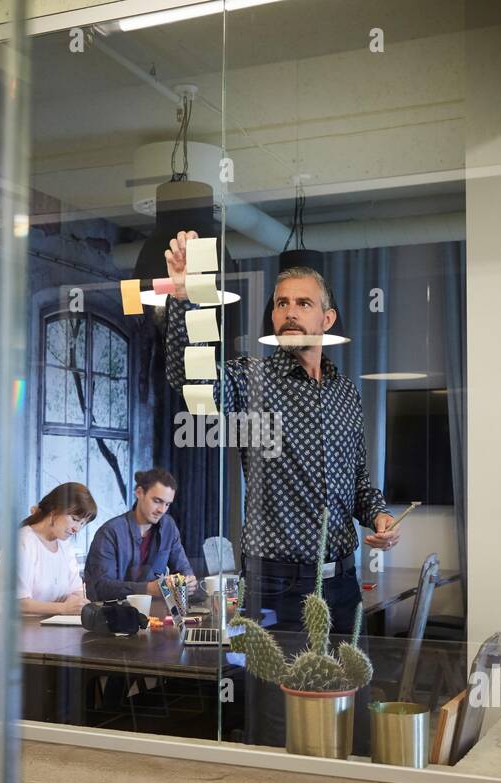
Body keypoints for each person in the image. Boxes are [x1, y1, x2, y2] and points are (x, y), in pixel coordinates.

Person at [162, 230, 401, 637]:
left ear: (326, 319)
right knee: (274, 698)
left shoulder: (346, 392)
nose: (290, 312)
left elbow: (358, 478)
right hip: (275, 586)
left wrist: (378, 515)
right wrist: (184, 297)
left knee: (345, 695)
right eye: (281, 304)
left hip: (343, 584)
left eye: (303, 303)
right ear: (273, 317)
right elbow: (193, 383)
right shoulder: (250, 379)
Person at [0, 482, 97, 623]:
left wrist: (75, 604)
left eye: (82, 523)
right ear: (54, 509)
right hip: (12, 631)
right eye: (74, 519)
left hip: (48, 629)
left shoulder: (65, 545)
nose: (77, 529)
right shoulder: (22, 542)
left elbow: (76, 591)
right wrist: (64, 608)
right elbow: (18, 602)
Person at [83, 467, 197, 602]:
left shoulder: (168, 527)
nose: (162, 510)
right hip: (114, 615)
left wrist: (188, 582)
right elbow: (100, 588)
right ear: (139, 492)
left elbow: (183, 570)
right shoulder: (110, 532)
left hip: (156, 614)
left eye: (167, 504)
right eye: (157, 501)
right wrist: (148, 589)